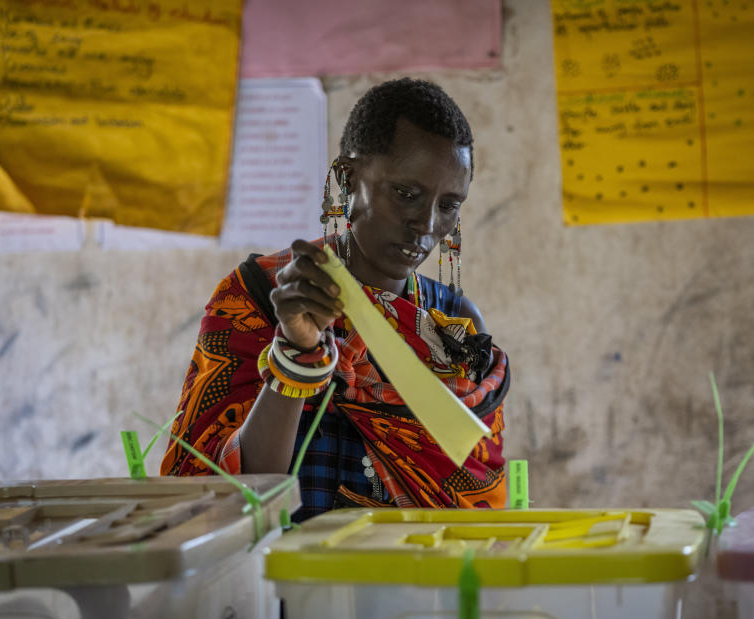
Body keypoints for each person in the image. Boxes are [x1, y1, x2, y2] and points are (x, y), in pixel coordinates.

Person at [160, 78, 509, 521]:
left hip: (422, 575)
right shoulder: (258, 298)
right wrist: (297, 351)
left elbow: (480, 493)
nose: (425, 224)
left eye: (449, 205)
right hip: (293, 578)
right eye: (407, 194)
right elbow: (224, 494)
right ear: (347, 180)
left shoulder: (453, 324)